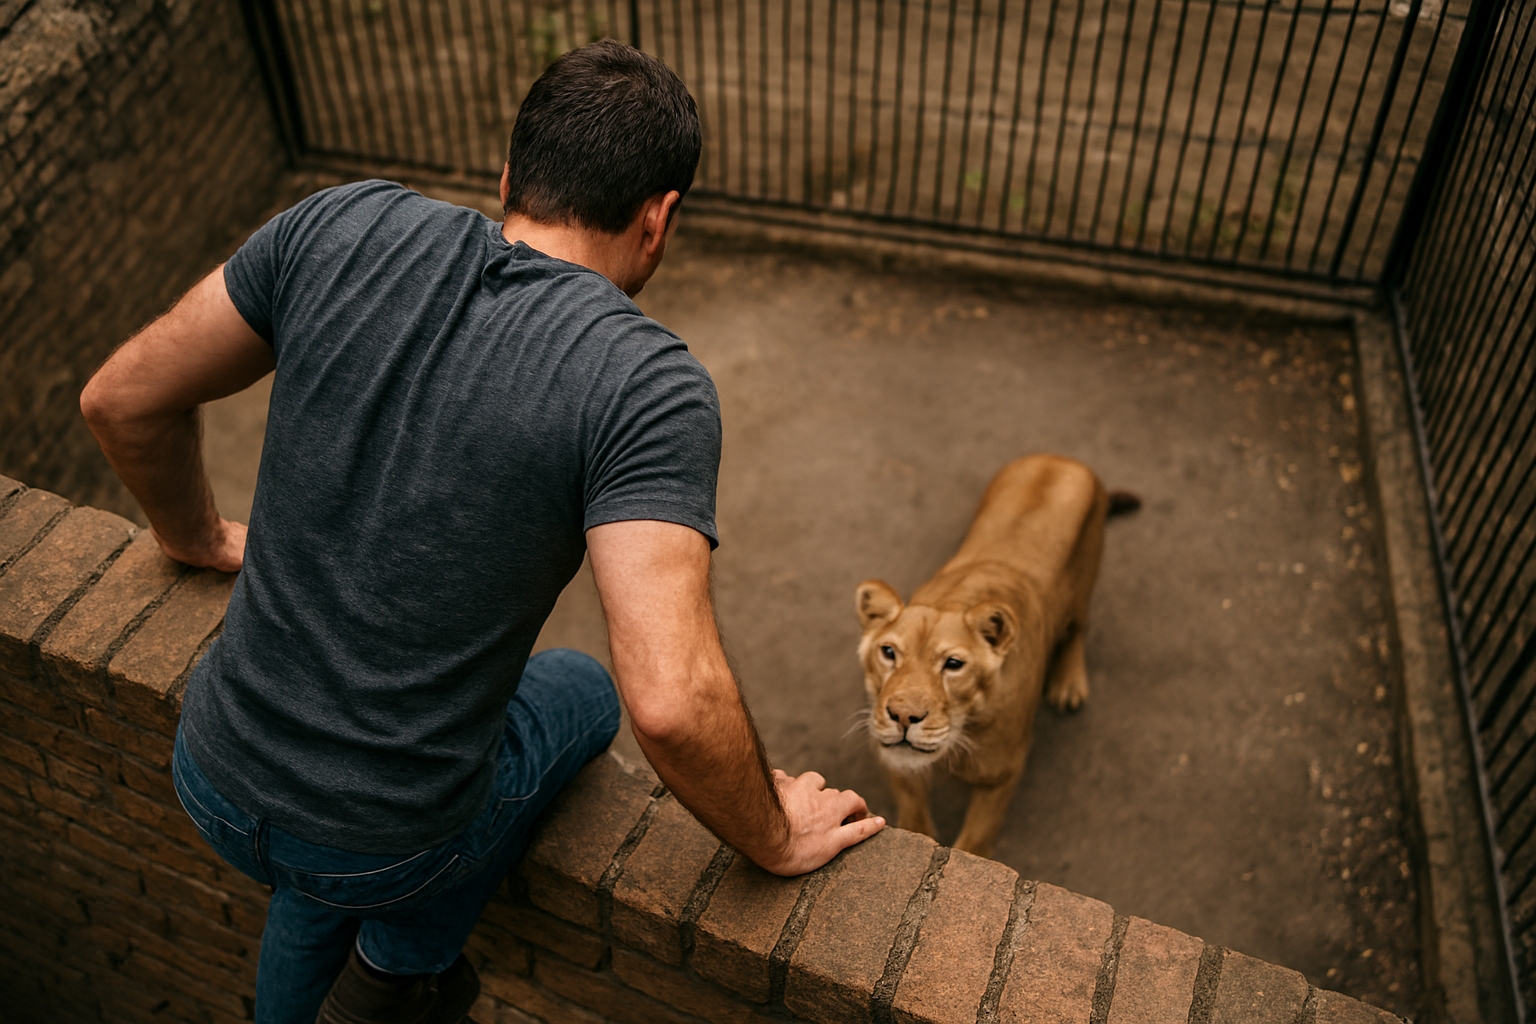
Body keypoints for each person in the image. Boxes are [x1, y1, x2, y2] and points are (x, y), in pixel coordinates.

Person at [80, 40, 884, 1024]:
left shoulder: (341, 220)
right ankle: (395, 964)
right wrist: (776, 835)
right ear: (658, 219)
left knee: (325, 857)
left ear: (507, 178)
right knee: (580, 690)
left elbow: (121, 400)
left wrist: (197, 538)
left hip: (207, 769)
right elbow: (670, 703)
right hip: (385, 841)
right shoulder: (644, 384)